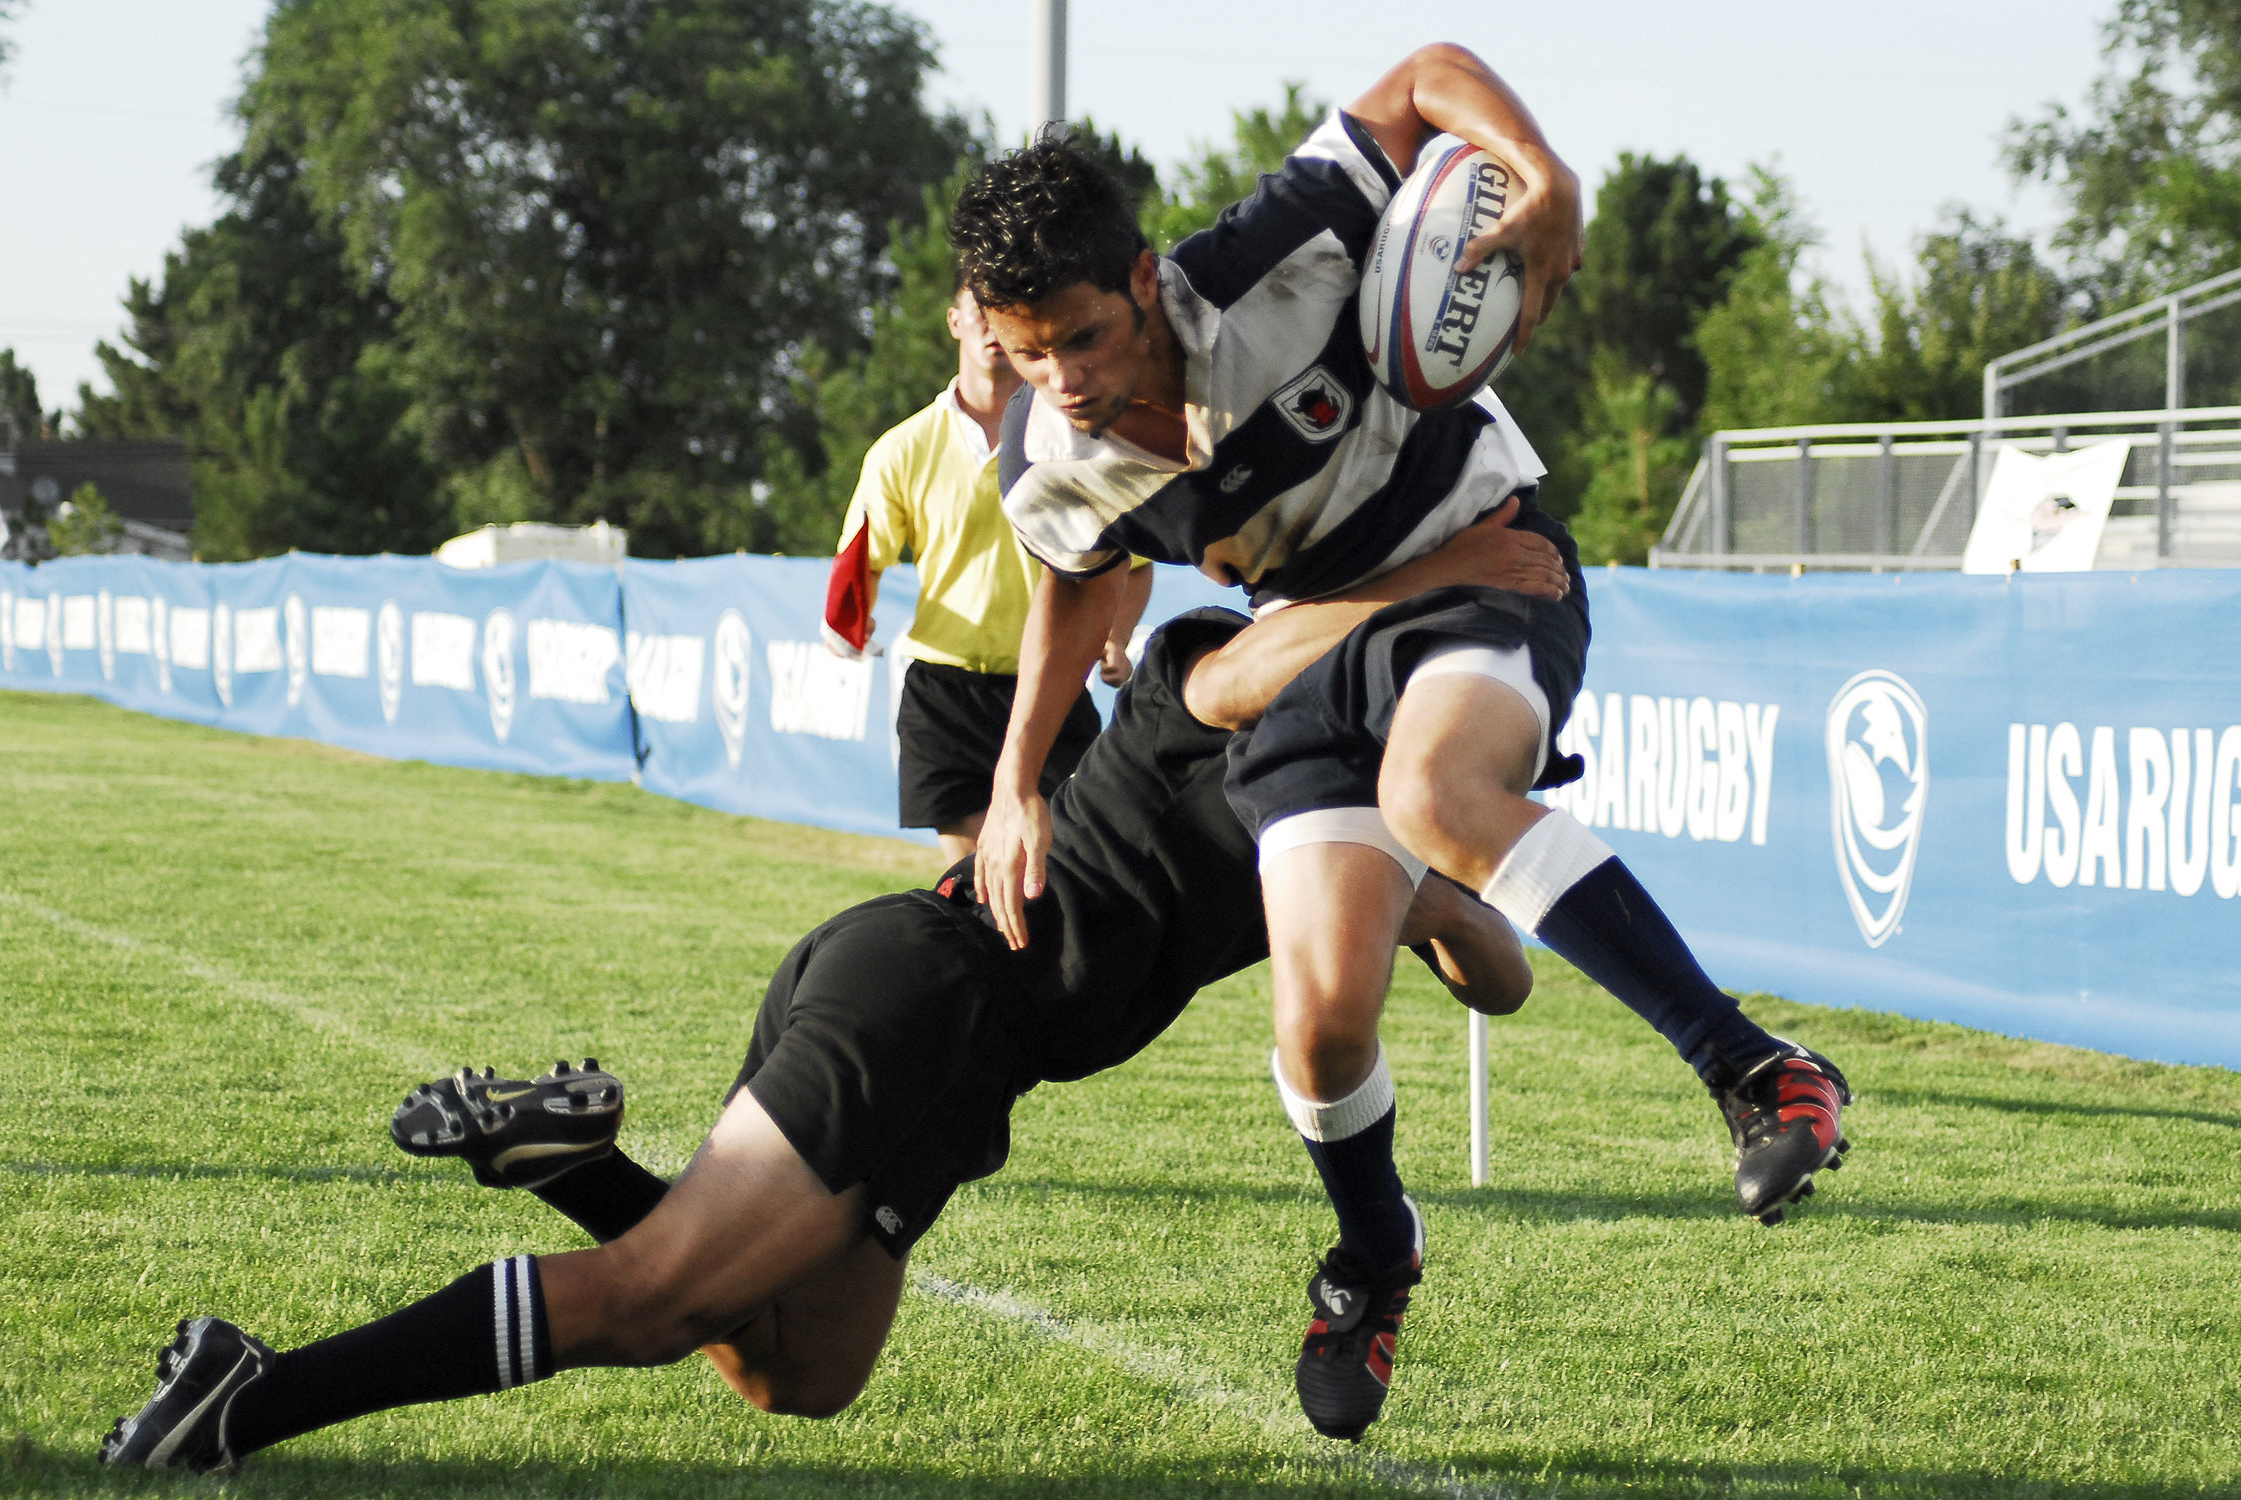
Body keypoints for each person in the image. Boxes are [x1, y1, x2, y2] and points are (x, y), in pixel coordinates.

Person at [97, 525, 1560, 1474]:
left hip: (943, 1044)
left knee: (796, 1374)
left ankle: (581, 1164)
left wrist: (1432, 849)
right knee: (650, 1301)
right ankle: (256, 1395)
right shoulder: (1212, 671)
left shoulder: (1340, 825)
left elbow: (1500, 979)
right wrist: (1435, 585)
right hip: (931, 1008)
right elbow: (1245, 660)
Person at [950, 43, 1850, 1439]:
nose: (1058, 380)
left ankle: (1755, 1071)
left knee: (1437, 789)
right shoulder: (1047, 458)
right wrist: (1018, 782)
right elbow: (1072, 579)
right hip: (1319, 646)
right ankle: (1375, 1260)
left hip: (1485, 560)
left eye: (1079, 336)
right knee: (1316, 1033)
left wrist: (1543, 175)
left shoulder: (1273, 253)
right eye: (1021, 351)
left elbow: (1427, 73)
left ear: (1140, 281)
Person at [823, 282, 1152, 863]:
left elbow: (1132, 561)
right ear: (954, 322)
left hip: (1050, 681)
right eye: (979, 314)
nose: (990, 329)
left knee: (1057, 874)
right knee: (975, 879)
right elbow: (861, 558)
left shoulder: (1076, 441)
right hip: (944, 694)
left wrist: (1115, 637)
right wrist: (852, 619)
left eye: (1006, 318)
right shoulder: (902, 449)